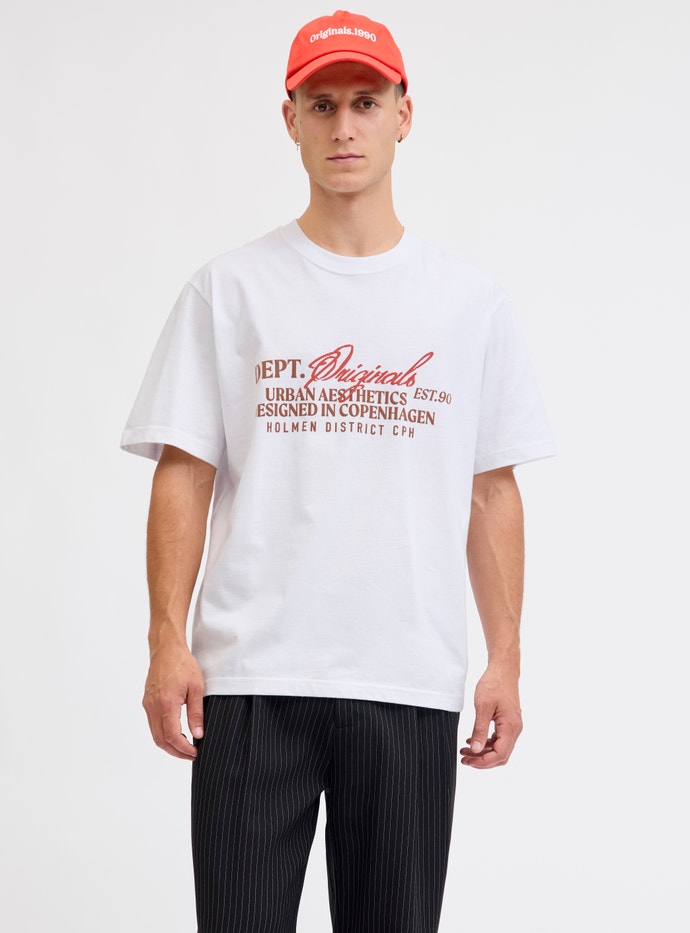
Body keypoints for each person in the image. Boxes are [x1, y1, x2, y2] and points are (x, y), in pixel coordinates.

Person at [121, 10, 555, 932]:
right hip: (251, 679)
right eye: (322, 106)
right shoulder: (230, 289)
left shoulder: (468, 304)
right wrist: (166, 641)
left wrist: (505, 659)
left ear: (405, 114)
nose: (344, 126)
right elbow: (184, 472)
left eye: (365, 102)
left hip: (407, 678)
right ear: (290, 120)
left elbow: (491, 489)